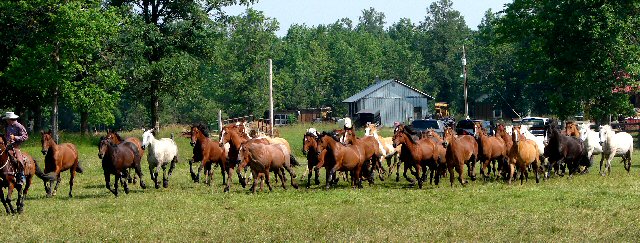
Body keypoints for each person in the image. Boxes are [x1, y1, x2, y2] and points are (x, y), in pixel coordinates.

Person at [3, 112, 28, 186]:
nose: (6, 120)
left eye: (7, 119)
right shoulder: (8, 126)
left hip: (16, 146)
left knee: (19, 160)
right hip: (7, 146)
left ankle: (21, 176)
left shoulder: (19, 126)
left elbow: (25, 137)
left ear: (10, 119)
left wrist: (15, 137)